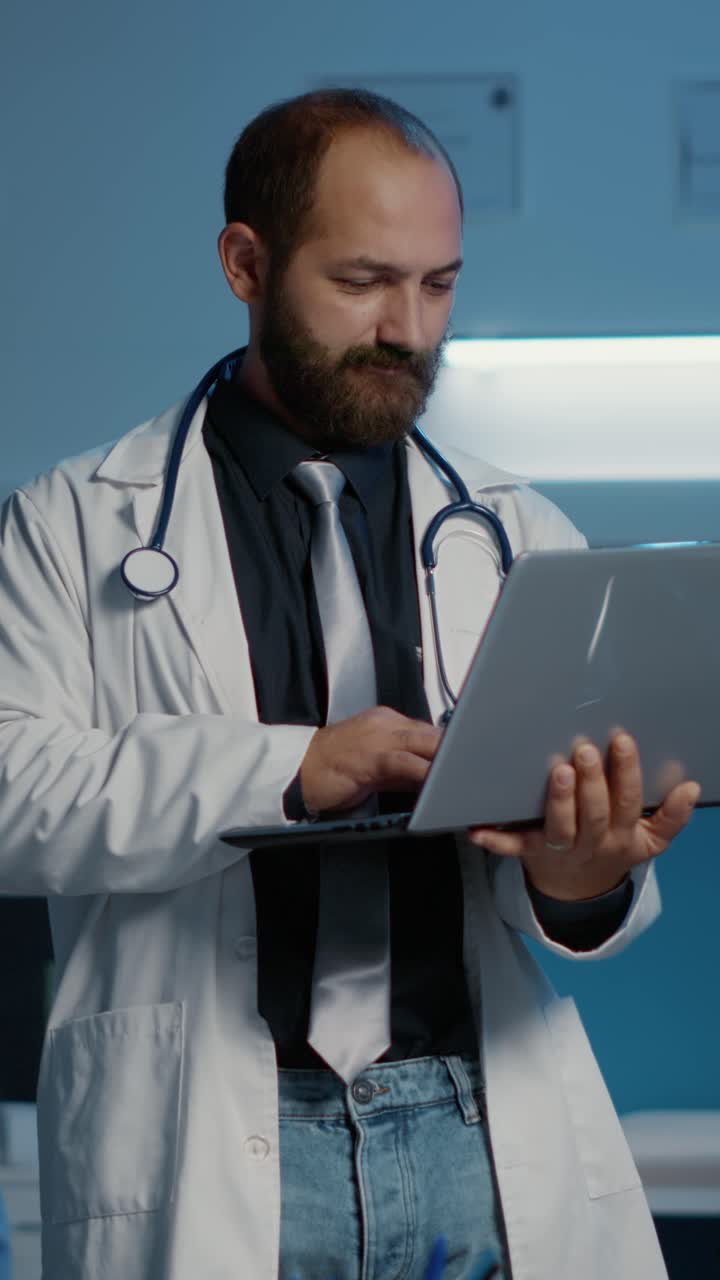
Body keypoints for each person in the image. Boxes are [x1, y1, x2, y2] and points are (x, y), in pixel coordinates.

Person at [0, 89, 699, 1280]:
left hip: (482, 1137)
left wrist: (579, 879)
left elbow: (573, 877)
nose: (408, 329)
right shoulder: (72, 524)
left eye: (439, 284)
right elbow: (15, 799)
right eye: (365, 281)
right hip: (219, 1147)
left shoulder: (520, 532)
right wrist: (294, 766)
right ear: (245, 262)